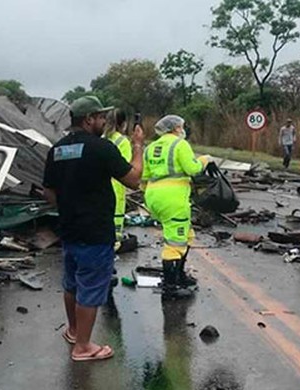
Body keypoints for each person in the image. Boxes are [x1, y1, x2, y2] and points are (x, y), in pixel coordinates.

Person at [42, 96, 144, 361]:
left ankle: (74, 331)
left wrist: (69, 205)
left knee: (72, 283)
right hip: (95, 231)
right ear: (88, 120)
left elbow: (48, 191)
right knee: (90, 287)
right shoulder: (101, 147)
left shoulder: (57, 149)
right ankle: (83, 347)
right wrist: (138, 147)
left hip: (69, 229)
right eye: (100, 117)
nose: (103, 122)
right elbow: (133, 179)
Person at [142, 115, 209, 299]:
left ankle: (180, 276)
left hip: (154, 197)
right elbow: (193, 169)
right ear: (175, 128)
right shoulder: (180, 145)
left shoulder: (150, 147)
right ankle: (171, 287)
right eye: (181, 126)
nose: (182, 129)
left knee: (185, 235)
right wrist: (204, 160)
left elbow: (145, 175)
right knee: (174, 243)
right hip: (174, 200)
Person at [104, 109, 131, 251]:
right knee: (115, 227)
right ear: (123, 124)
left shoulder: (101, 138)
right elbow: (125, 168)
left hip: (100, 185)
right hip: (116, 187)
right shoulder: (122, 141)